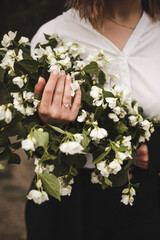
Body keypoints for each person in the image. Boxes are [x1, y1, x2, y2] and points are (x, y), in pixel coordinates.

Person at [25, 0, 160, 239]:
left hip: (148, 199)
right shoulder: (54, 36)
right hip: (74, 205)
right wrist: (51, 129)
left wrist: (157, 147)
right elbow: (34, 142)